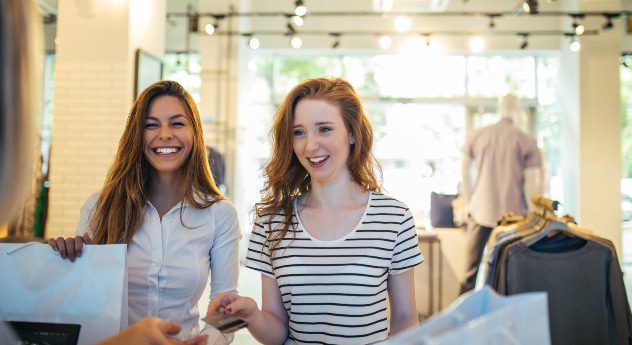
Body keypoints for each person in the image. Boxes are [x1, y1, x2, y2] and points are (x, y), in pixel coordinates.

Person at [206, 78, 423, 344]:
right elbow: (276, 332)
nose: (310, 146)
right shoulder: (271, 221)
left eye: (324, 129)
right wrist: (251, 315)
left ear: (352, 133)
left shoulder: (394, 218)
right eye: (299, 132)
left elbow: (405, 319)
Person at [47, 81, 241, 344]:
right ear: (137, 135)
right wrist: (65, 264)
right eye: (151, 125)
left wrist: (205, 341)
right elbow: (81, 301)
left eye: (177, 123)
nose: (165, 134)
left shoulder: (220, 214)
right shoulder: (100, 207)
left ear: (194, 133)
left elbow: (228, 306)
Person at [459, 93, 544, 294]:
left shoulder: (478, 135)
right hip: (513, 216)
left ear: (499, 108)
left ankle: (461, 321)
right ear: (518, 110)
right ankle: (504, 319)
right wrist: (533, 214)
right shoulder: (526, 140)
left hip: (481, 211)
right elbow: (530, 184)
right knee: (509, 271)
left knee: (469, 272)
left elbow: (465, 173)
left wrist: (468, 203)